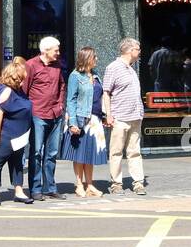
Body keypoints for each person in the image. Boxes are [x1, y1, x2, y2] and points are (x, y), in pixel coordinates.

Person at [0, 61, 33, 206]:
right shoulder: (7, 91)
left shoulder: (17, 89)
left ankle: (18, 191)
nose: (25, 78)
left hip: (18, 136)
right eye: (23, 76)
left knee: (17, 163)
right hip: (6, 135)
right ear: (16, 76)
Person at [102, 38, 146, 195]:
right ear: (130, 50)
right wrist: (109, 115)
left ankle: (138, 183)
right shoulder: (113, 68)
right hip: (120, 117)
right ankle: (116, 183)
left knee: (135, 151)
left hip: (135, 117)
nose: (140, 52)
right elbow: (106, 93)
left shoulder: (131, 68)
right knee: (116, 152)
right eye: (138, 49)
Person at [61, 47, 107, 197]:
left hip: (95, 120)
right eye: (95, 57)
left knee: (90, 154)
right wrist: (73, 122)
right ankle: (79, 184)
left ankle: (90, 185)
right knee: (79, 154)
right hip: (81, 119)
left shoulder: (95, 75)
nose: (97, 59)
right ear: (87, 58)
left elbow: (100, 97)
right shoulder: (75, 76)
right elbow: (71, 100)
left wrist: (104, 115)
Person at [25, 36, 65, 201]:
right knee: (36, 153)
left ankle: (50, 187)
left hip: (55, 114)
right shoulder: (31, 65)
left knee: (52, 153)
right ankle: (35, 189)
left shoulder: (57, 65)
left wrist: (61, 105)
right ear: (45, 50)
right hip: (38, 115)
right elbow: (24, 89)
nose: (58, 53)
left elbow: (62, 85)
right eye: (56, 50)